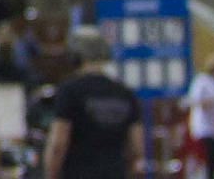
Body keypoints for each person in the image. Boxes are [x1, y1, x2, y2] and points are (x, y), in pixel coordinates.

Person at [44, 26, 141, 179]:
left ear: (75, 57)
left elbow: (58, 144)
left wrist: (50, 174)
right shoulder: (125, 94)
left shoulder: (70, 91)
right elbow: (136, 147)